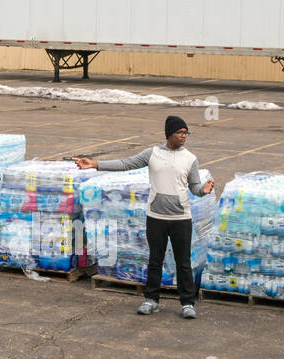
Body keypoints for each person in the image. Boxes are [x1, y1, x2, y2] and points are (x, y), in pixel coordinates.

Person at [73, 115, 214, 318]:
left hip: (181, 218)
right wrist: (94, 163)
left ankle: (187, 304)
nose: (184, 136)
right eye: (180, 133)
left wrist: (204, 189)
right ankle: (151, 300)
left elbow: (195, 187)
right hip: (156, 217)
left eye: (186, 133)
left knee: (183, 262)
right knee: (155, 260)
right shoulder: (153, 154)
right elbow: (125, 163)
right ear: (169, 134)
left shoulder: (190, 159)